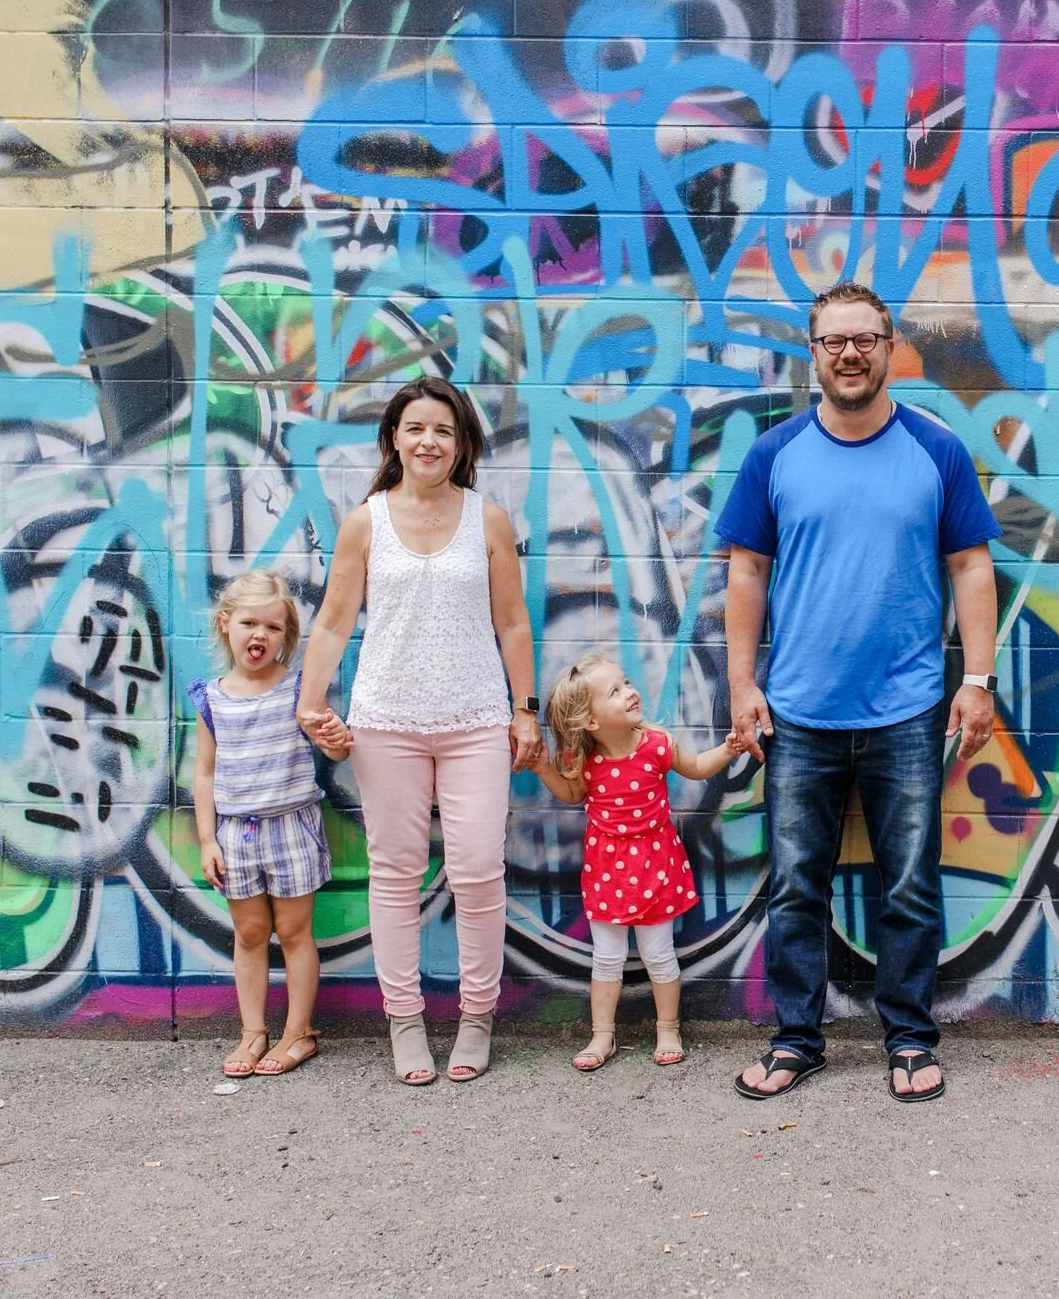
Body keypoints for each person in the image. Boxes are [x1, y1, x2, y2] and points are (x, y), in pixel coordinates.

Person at [716, 282, 1001, 1104]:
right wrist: (742, 682)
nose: (850, 354)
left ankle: (910, 1037)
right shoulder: (775, 453)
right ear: (813, 352)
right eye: (834, 341)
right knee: (794, 886)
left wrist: (976, 681)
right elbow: (747, 570)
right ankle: (796, 1039)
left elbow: (971, 565)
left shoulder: (935, 449)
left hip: (908, 711)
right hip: (797, 713)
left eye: (865, 339)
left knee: (908, 885)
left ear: (888, 346)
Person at [298, 375, 543, 1086]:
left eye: (443, 429)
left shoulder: (487, 520)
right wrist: (311, 704)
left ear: (461, 443)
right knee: (396, 873)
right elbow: (334, 621)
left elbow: (512, 621)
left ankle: (476, 1017)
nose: (429, 441)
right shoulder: (365, 522)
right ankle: (404, 1022)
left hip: (475, 719)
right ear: (394, 440)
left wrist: (525, 708)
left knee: (478, 868)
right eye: (416, 428)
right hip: (387, 722)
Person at [531, 654, 736, 1071]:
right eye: (615, 691)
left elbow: (697, 768)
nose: (629, 692)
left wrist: (729, 749)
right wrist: (541, 769)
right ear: (591, 721)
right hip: (606, 870)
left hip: (655, 865)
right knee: (606, 957)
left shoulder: (657, 744)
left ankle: (668, 1029)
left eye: (625, 682)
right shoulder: (586, 762)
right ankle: (601, 1036)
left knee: (658, 953)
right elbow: (572, 794)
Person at [190, 570, 343, 1079]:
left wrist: (337, 741)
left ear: (286, 636)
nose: (260, 635)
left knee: (295, 932)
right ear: (225, 623)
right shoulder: (211, 698)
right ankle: (253, 1031)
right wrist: (208, 840)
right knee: (251, 933)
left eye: (273, 627)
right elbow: (205, 773)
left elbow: (332, 746)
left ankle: (299, 1033)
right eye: (249, 623)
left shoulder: (300, 689)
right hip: (236, 834)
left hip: (292, 826)